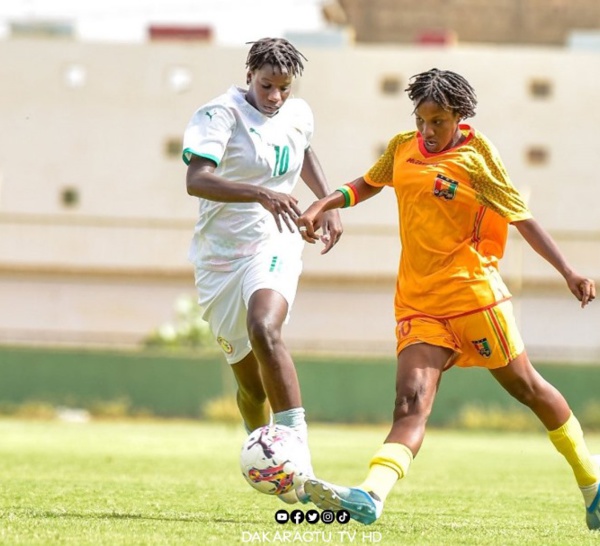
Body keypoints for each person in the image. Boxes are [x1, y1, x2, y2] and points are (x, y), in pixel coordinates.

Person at [296, 68, 599, 529]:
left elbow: (522, 218)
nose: (427, 131)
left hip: (474, 296)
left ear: (459, 115)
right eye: (421, 119)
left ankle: (592, 483)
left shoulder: (479, 158)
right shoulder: (402, 147)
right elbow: (369, 182)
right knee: (409, 402)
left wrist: (568, 271)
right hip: (418, 301)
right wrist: (322, 204)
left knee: (528, 389)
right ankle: (371, 495)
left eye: (437, 121)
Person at [182, 37, 342, 502]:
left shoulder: (298, 112)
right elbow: (196, 181)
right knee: (250, 389)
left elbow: (304, 147)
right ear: (249, 74)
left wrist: (328, 202)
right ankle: (270, 457)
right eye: (267, 85)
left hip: (274, 239)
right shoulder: (219, 115)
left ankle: (300, 459)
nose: (275, 97)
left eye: (283, 88)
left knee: (265, 328)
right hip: (218, 258)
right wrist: (259, 191)